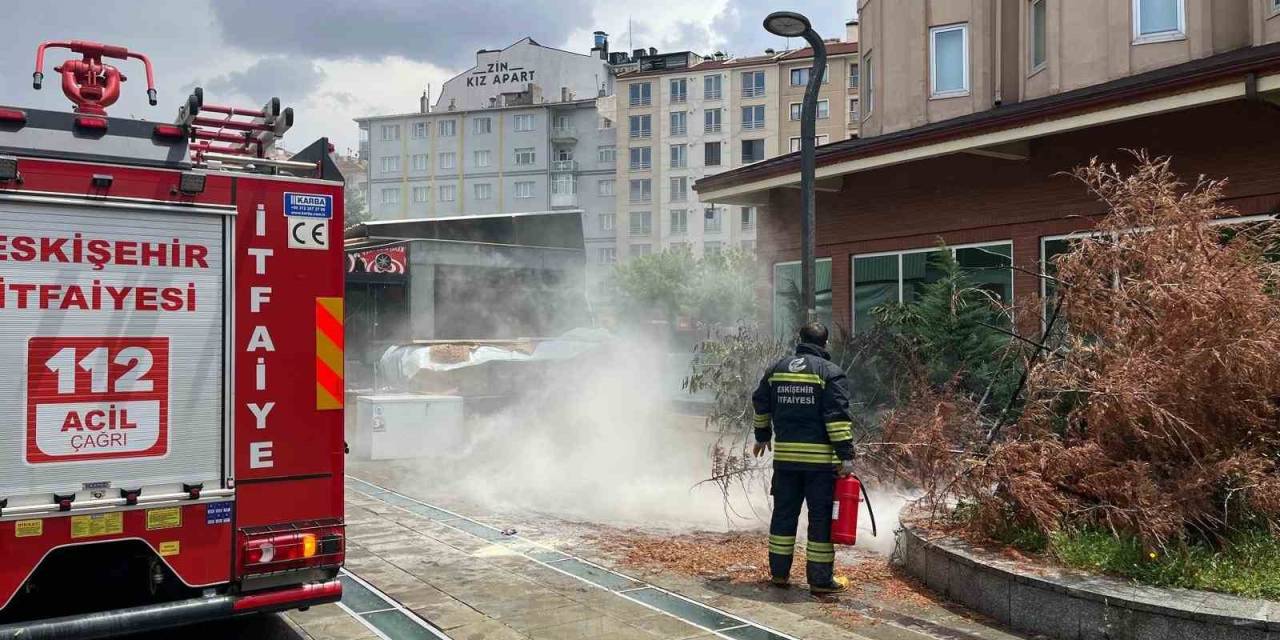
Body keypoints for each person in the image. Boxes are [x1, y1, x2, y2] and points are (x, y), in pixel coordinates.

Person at [751, 321, 855, 594]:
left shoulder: (777, 369)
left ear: (800, 340)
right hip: (819, 465)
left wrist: (762, 436)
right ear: (825, 343)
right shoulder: (830, 373)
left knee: (784, 514)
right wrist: (846, 456)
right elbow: (836, 419)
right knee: (819, 518)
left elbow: (761, 403)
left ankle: (779, 575)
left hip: (785, 461)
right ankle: (820, 581)